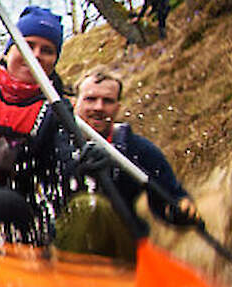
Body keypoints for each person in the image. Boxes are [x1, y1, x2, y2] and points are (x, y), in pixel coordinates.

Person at [53, 70, 201, 260]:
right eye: (90, 99)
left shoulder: (137, 149)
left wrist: (182, 210)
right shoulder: (56, 141)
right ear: (75, 103)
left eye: (108, 101)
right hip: (62, 239)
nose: (99, 107)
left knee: (92, 207)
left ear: (118, 107)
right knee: (84, 207)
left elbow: (170, 198)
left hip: (118, 246)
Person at [0, 5, 73, 245]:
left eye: (47, 50)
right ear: (9, 50)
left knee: (1, 201)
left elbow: (63, 168)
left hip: (13, 214)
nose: (36, 55)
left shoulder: (57, 112)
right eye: (28, 46)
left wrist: (81, 164)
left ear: (54, 61)